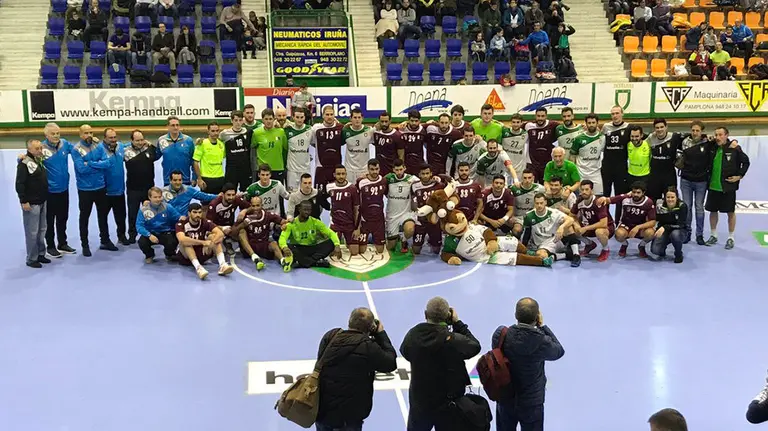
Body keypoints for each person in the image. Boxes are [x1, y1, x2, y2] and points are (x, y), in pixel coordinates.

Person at [400, 297, 481, 431]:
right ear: (447, 316)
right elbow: (474, 346)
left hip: (420, 400)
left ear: (426, 315)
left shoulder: (414, 334)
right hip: (448, 403)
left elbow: (405, 352)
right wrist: (458, 324)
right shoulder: (453, 340)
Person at [315, 308, 397, 431]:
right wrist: (381, 334)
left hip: (323, 412)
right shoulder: (368, 347)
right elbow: (390, 363)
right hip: (349, 418)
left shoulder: (330, 337)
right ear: (370, 328)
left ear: (350, 321)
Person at [494, 297, 564, 431]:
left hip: (506, 398)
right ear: (537, 316)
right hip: (531, 402)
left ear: (516, 315)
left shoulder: (501, 334)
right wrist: (543, 327)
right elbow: (559, 351)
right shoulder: (542, 342)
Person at [72, 124, 115, 256]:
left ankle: (105, 241)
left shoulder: (99, 145)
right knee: (84, 217)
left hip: (100, 187)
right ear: (80, 135)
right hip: (85, 189)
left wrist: (90, 163)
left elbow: (107, 163)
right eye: (85, 133)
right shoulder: (76, 149)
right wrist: (98, 164)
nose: (89, 135)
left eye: (90, 132)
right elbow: (81, 169)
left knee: (103, 216)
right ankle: (85, 245)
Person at [705, 126, 750, 250]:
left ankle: (731, 237)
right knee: (713, 211)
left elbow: (746, 162)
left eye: (720, 135)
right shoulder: (712, 147)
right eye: (716, 135)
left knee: (730, 212)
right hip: (713, 186)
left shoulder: (735, 148)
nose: (718, 137)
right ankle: (713, 235)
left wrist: (739, 176)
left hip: (728, 187)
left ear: (726, 135)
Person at [40, 123, 75, 257]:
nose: (56, 136)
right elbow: (29, 158)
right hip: (50, 191)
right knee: (50, 220)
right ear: (46, 135)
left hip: (64, 189)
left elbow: (78, 150)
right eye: (52, 134)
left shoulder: (64, 144)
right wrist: (19, 158)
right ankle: (50, 246)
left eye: (57, 133)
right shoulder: (41, 148)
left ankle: (62, 243)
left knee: (63, 218)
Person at [175, 203, 234, 279]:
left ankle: (222, 265)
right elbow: (182, 240)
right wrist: (203, 242)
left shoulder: (205, 222)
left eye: (200, 212)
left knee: (213, 236)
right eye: (195, 212)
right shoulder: (181, 224)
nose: (198, 215)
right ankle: (198, 268)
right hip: (185, 257)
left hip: (201, 253)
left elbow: (220, 234)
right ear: (189, 213)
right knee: (186, 242)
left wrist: (211, 243)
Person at [600, 181, 656, 258]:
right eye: (634, 192)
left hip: (640, 227)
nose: (635, 194)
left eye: (638, 192)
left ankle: (642, 246)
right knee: (619, 234)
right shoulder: (625, 198)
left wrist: (638, 227)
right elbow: (609, 200)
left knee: (651, 233)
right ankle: (624, 245)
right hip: (626, 226)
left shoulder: (648, 202)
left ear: (643, 193)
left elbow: (652, 222)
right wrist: (603, 198)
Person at [279, 201, 342, 269]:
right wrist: (284, 247)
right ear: (299, 209)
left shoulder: (315, 222)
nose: (307, 212)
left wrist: (337, 245)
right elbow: (282, 238)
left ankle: (304, 262)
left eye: (309, 210)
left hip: (312, 247)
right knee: (289, 247)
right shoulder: (291, 224)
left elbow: (331, 233)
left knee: (331, 243)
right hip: (298, 249)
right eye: (305, 210)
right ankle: (314, 262)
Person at [17, 139, 51, 268]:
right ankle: (31, 258)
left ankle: (41, 254)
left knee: (42, 229)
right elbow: (19, 183)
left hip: (42, 200)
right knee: (32, 232)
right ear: (29, 149)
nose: (40, 150)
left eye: (41, 148)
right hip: (31, 203)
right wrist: (23, 200)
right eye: (37, 148)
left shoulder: (39, 160)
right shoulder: (24, 163)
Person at [523, 193, 580, 267]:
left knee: (568, 226)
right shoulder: (529, 215)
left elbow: (571, 219)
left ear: (545, 202)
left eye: (541, 203)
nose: (539, 205)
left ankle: (576, 255)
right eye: (537, 203)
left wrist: (561, 227)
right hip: (541, 243)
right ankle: (564, 255)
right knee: (541, 255)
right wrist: (524, 248)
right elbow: (527, 233)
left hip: (555, 240)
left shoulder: (553, 212)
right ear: (534, 203)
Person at [677, 120, 711, 245]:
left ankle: (699, 235)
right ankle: (687, 233)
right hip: (686, 180)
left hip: (701, 181)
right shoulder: (685, 142)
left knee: (699, 207)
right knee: (687, 207)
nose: (695, 132)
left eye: (697, 130)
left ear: (701, 131)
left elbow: (723, 142)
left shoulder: (707, 142)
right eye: (693, 130)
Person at [237, 195, 290, 271]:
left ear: (262, 205)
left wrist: (284, 224)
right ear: (250, 206)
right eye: (253, 206)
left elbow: (283, 221)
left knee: (274, 243)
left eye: (258, 205)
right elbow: (233, 232)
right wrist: (242, 224)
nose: (255, 208)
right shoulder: (245, 216)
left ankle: (283, 261)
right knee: (241, 232)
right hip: (250, 246)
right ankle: (255, 258)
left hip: (263, 244)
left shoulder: (267, 215)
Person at [124, 130, 157, 244]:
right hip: (133, 188)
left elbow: (157, 153)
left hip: (148, 188)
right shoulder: (125, 151)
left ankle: (149, 234)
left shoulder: (149, 149)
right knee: (132, 213)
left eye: (142, 140)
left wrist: (150, 144)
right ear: (131, 141)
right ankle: (132, 235)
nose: (140, 142)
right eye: (137, 140)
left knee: (149, 213)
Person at [571, 180, 614, 262]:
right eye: (582, 189)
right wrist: (576, 224)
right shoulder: (579, 201)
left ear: (592, 190)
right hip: (588, 226)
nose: (584, 192)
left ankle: (605, 249)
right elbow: (572, 216)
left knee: (599, 232)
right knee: (571, 228)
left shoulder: (598, 202)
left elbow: (603, 223)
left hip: (606, 228)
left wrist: (586, 228)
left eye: (587, 189)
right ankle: (589, 244)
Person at [137, 187, 183, 263]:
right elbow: (139, 226)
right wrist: (149, 235)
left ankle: (169, 254)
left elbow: (178, 217)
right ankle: (149, 255)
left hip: (165, 232)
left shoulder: (168, 207)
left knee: (173, 241)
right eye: (155, 197)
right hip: (150, 233)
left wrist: (185, 218)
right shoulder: (143, 210)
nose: (158, 199)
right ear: (149, 197)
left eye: (159, 197)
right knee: (142, 242)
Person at [102, 128, 130, 246]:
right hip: (105, 191)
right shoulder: (99, 150)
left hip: (119, 190)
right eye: (110, 138)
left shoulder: (120, 147)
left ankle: (121, 235)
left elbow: (129, 144)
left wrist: (144, 142)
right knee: (102, 217)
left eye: (114, 137)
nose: (113, 140)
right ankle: (104, 239)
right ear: (105, 138)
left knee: (121, 215)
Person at [206, 183, 251, 255]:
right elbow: (208, 224)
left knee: (243, 230)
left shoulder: (236, 199)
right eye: (228, 195)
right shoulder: (214, 204)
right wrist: (222, 228)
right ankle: (225, 242)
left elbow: (251, 207)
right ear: (223, 194)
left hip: (231, 227)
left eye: (233, 195)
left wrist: (244, 211)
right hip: (217, 227)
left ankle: (249, 252)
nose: (231, 197)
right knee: (211, 236)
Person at [411, 165, 447, 255]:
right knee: (416, 250)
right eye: (423, 174)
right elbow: (413, 202)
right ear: (419, 174)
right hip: (421, 220)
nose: (425, 176)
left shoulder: (439, 185)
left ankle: (432, 240)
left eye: (427, 173)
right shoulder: (414, 186)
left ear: (431, 173)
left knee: (436, 251)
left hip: (434, 220)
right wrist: (417, 210)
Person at [385, 159, 419, 252]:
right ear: (393, 170)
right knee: (390, 247)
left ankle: (404, 240)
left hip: (406, 213)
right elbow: (377, 181)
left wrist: (436, 179)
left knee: (410, 229)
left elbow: (425, 182)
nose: (399, 172)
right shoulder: (388, 178)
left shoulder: (412, 179)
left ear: (404, 168)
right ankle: (396, 237)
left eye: (401, 169)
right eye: (397, 170)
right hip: (392, 215)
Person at [356, 159, 388, 258]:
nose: (374, 172)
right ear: (368, 169)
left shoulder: (383, 181)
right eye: (372, 169)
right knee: (361, 251)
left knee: (380, 250)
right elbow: (355, 200)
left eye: (376, 169)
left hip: (379, 219)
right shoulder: (361, 181)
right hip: (364, 219)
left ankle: (375, 237)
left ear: (379, 169)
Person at [327, 165, 361, 257]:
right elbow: (321, 199)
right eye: (338, 174)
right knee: (330, 251)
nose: (341, 176)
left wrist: (357, 228)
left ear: (346, 174)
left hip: (349, 224)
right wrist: (328, 207)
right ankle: (337, 239)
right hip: (335, 224)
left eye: (343, 174)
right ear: (334, 175)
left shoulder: (352, 188)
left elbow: (357, 209)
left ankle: (346, 239)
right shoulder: (329, 187)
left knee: (354, 252)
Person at [569, 113, 605, 195]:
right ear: (586, 123)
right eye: (589, 123)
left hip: (596, 174)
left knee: (598, 199)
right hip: (582, 174)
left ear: (597, 123)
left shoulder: (602, 138)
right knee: (581, 198)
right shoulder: (578, 139)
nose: (591, 125)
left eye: (593, 122)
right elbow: (572, 157)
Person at [251, 108, 288, 185]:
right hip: (263, 170)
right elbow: (252, 148)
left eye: (270, 119)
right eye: (266, 119)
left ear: (274, 119)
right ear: (262, 120)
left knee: (278, 195)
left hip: (278, 169)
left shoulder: (281, 132)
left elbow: (286, 148)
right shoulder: (256, 133)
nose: (268, 121)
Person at [601, 106, 631, 200]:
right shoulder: (606, 127)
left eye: (617, 113)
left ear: (622, 114)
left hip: (621, 167)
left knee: (620, 195)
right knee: (605, 194)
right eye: (613, 114)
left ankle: (619, 215)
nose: (615, 116)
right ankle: (605, 214)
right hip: (607, 166)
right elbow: (599, 140)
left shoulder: (629, 127)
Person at [311, 106, 345, 191]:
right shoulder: (316, 128)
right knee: (319, 197)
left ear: (334, 115)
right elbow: (311, 141)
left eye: (331, 114)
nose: (329, 117)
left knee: (337, 196)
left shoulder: (341, 128)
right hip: (321, 167)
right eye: (327, 114)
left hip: (336, 168)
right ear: (323, 116)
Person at [219, 110, 253, 192]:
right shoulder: (224, 134)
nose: (238, 123)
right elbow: (214, 140)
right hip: (231, 169)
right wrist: (201, 140)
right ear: (231, 121)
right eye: (236, 120)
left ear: (243, 120)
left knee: (245, 192)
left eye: (240, 120)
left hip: (245, 168)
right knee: (230, 192)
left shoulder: (248, 132)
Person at [651, 187, 688, 263]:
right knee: (655, 251)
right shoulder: (659, 204)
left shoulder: (682, 206)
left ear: (677, 197)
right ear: (664, 197)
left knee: (675, 235)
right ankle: (663, 246)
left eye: (672, 197)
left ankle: (678, 253)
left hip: (679, 231)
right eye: (668, 197)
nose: (670, 199)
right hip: (664, 231)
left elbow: (682, 225)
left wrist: (665, 227)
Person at [647, 118, 681, 200]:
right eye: (657, 128)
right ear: (654, 129)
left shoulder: (674, 137)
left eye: (662, 127)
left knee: (671, 200)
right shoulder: (650, 138)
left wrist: (706, 136)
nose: (659, 129)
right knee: (653, 201)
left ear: (666, 127)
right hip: (654, 176)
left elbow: (690, 138)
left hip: (669, 176)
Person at [157, 116, 195, 186]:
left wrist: (194, 178)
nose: (176, 127)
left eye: (177, 125)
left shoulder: (188, 140)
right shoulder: (161, 140)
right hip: (168, 181)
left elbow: (194, 160)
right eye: (173, 125)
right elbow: (155, 156)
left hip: (185, 181)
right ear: (167, 126)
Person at [525, 108, 559, 183]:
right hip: (532, 162)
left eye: (542, 116)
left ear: (546, 116)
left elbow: (566, 128)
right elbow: (515, 127)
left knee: (546, 185)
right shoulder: (528, 125)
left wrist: (580, 126)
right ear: (535, 116)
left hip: (547, 162)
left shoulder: (553, 125)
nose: (540, 118)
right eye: (538, 116)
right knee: (531, 185)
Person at [284, 107, 313, 192]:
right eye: (297, 117)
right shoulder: (287, 130)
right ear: (293, 117)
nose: (299, 120)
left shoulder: (310, 130)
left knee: (306, 194)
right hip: (292, 170)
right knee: (292, 195)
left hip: (305, 169)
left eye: (301, 117)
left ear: (304, 117)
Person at [510, 169, 546, 237]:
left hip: (533, 216)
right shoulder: (514, 189)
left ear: (533, 178)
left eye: (529, 178)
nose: (527, 180)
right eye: (525, 178)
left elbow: (547, 199)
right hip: (519, 217)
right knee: (517, 230)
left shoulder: (540, 189)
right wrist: (511, 216)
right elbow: (508, 203)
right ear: (521, 178)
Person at [193, 121, 226, 194]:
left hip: (220, 178)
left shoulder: (221, 145)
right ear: (208, 131)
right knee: (205, 204)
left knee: (218, 203)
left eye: (217, 131)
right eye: (213, 131)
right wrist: (199, 179)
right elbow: (195, 162)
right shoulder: (202, 144)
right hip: (206, 179)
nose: (215, 133)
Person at [343, 108, 375, 181]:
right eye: (355, 117)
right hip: (349, 170)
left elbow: (379, 125)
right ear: (350, 118)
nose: (357, 120)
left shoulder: (369, 130)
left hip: (364, 169)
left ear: (362, 118)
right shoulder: (345, 131)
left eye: (359, 117)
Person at [398, 110, 428, 175]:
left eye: (416, 121)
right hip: (405, 161)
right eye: (412, 121)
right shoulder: (402, 129)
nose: (414, 123)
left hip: (418, 161)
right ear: (408, 120)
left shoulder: (423, 130)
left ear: (420, 120)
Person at [501, 114, 529, 183]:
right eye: (513, 122)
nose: (515, 124)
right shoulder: (504, 131)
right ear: (510, 122)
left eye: (518, 122)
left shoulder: (525, 134)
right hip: (505, 166)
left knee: (517, 187)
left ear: (521, 123)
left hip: (519, 168)